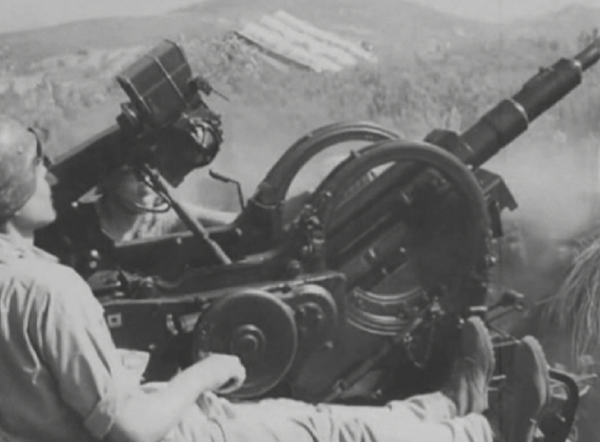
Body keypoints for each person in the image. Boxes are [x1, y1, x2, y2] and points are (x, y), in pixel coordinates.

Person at [0, 114, 550, 442]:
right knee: (317, 430)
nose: (52, 177)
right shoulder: (50, 291)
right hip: (144, 430)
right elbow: (133, 429)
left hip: (91, 419)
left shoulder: (21, 278)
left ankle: (446, 407)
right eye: (35, 169)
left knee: (302, 417)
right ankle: (489, 430)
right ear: (13, 195)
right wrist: (208, 371)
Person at [93, 165, 237, 243]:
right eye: (134, 174)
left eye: (152, 172)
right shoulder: (89, 223)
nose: (146, 182)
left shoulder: (166, 217)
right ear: (111, 179)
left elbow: (233, 223)